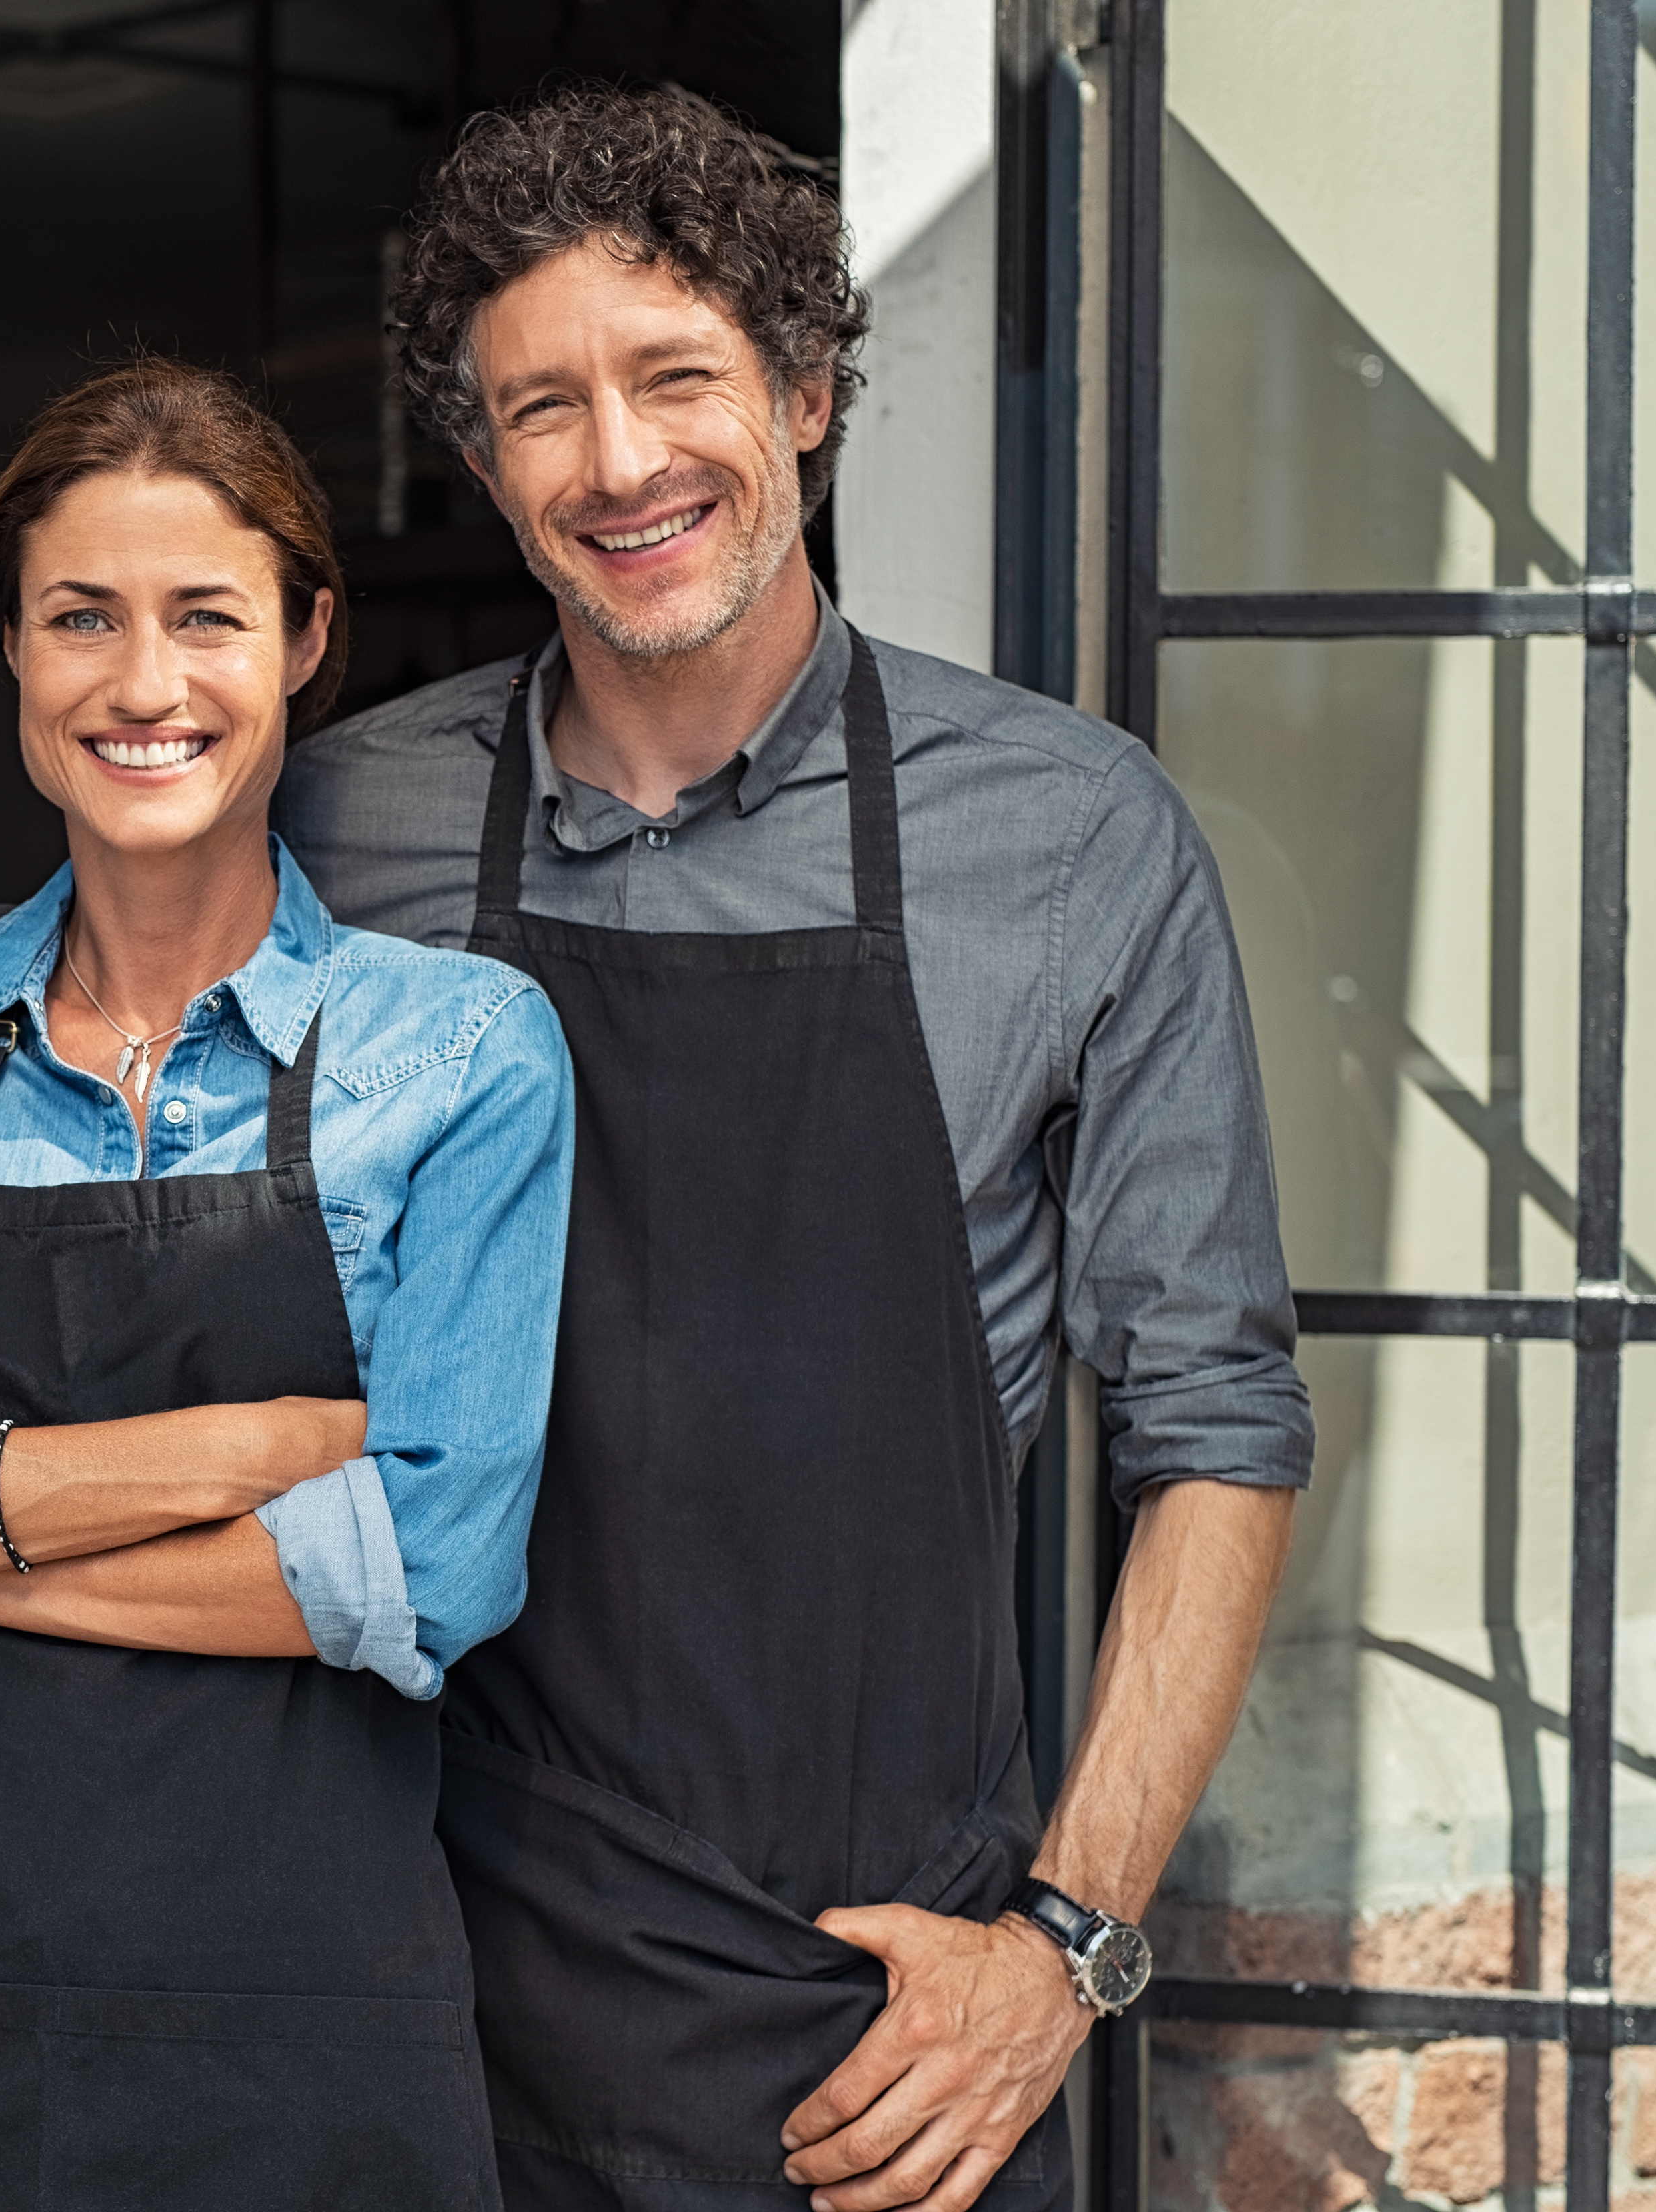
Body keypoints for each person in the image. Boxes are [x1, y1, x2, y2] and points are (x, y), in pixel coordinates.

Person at [273, 85, 1311, 2212]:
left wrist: (1067, 1947)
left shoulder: (1070, 833)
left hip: (887, 2023)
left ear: (811, 392)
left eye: (676, 377)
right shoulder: (336, 824)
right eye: (541, 406)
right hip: (415, 1961)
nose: (621, 460)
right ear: (481, 463)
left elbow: (1215, 1427)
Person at [0, 358, 574, 2209]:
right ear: (10, 653)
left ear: (307, 638)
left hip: (314, 2047)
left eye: (205, 617)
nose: (144, 685)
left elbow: (438, 1570)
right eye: (81, 618)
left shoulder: (462, 1053)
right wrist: (255, 1449)